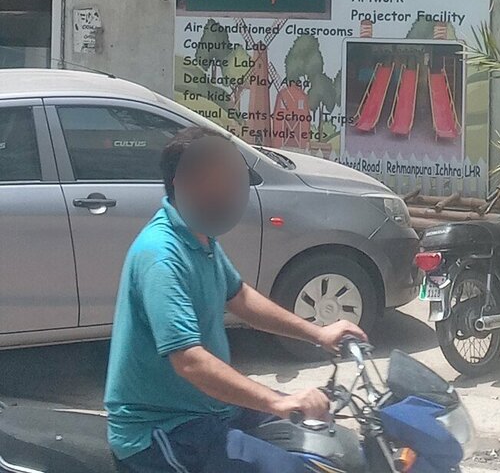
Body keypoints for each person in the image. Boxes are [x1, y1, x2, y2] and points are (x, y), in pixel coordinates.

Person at [105, 127, 367, 473]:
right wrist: (280, 400)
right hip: (164, 430)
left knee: (323, 446)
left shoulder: (201, 237)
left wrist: (319, 333)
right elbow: (190, 361)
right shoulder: (161, 255)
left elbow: (239, 297)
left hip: (210, 408)